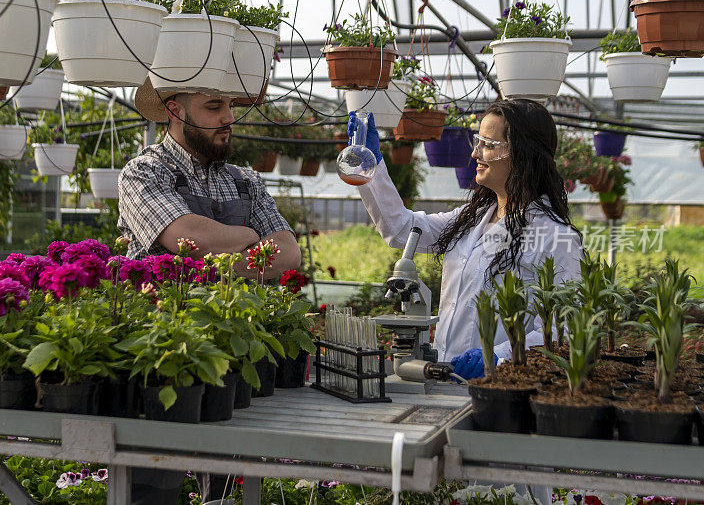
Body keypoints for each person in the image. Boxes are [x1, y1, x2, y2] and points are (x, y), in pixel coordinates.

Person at [118, 78, 301, 503]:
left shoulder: (244, 181)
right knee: (150, 486)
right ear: (175, 110)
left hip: (228, 349)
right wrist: (251, 236)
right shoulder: (145, 171)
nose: (229, 118)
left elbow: (288, 254)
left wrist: (199, 259)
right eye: (214, 106)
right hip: (161, 352)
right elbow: (186, 234)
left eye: (230, 105)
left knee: (224, 486)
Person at [351, 98, 583, 379]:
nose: (475, 153)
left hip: (501, 385)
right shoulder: (470, 219)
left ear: (522, 154)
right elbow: (402, 229)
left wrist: (500, 355)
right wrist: (372, 165)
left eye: (488, 144)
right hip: (443, 376)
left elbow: (564, 332)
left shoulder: (556, 236)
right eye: (478, 141)